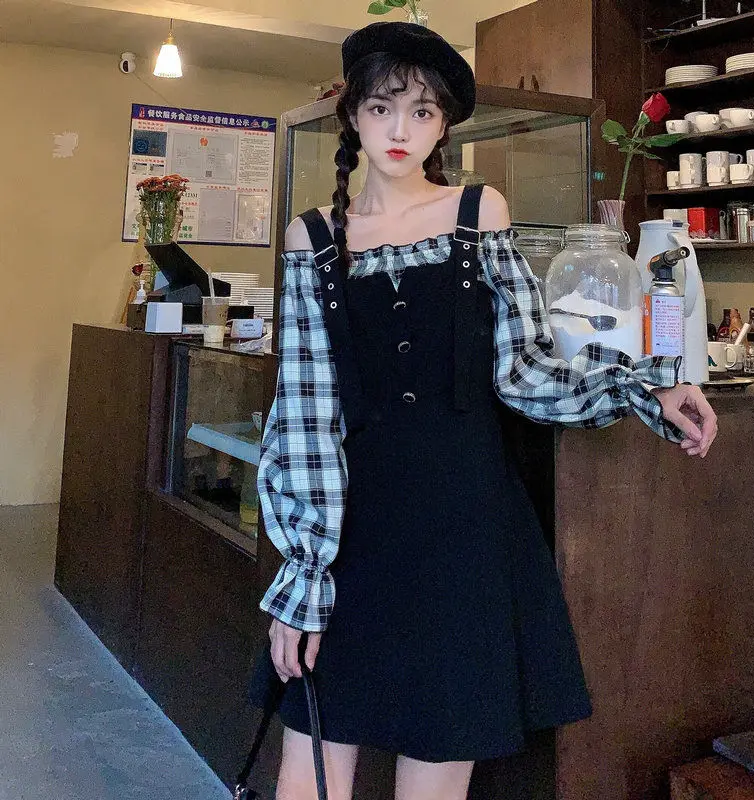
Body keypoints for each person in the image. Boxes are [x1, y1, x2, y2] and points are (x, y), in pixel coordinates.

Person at [257, 20, 718, 800]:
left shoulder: (480, 212)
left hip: (466, 530)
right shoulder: (313, 240)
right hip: (352, 534)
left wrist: (647, 385)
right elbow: (304, 414)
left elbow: (524, 368)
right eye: (381, 107)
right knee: (309, 771)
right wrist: (305, 575)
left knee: (442, 757)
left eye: (422, 112)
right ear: (353, 116)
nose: (399, 130)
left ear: (443, 126)